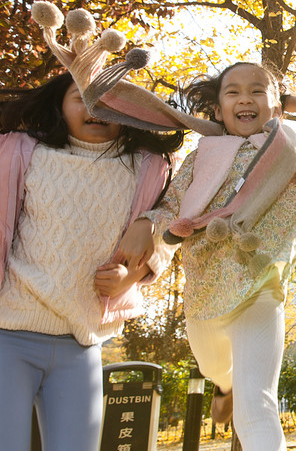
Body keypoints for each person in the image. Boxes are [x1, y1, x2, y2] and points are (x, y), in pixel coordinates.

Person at [139, 61, 296, 450]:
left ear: (275, 107)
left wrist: (289, 101)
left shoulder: (286, 147)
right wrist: (160, 228)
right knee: (212, 366)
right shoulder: (203, 154)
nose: (245, 98)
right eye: (232, 92)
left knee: (257, 406)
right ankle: (225, 384)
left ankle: (240, 394)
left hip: (259, 285)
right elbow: (168, 204)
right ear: (217, 111)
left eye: (257, 91)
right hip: (204, 290)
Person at [0, 72, 183, 451]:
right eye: (81, 98)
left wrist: (132, 273)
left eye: (111, 101)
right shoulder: (21, 150)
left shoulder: (148, 168)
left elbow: (180, 217)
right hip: (9, 336)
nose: (96, 109)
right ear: (59, 106)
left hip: (80, 344)